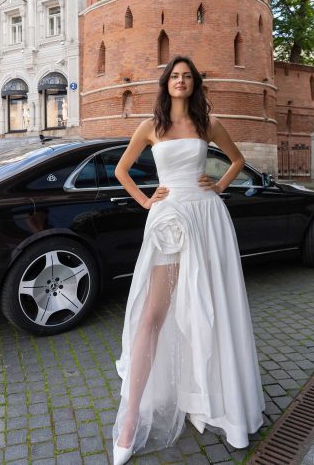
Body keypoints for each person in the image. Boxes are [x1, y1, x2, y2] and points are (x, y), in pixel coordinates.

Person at [112, 55, 266, 465]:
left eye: (187, 77)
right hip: (169, 219)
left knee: (210, 307)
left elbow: (237, 160)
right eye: (174, 76)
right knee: (152, 315)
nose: (180, 81)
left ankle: (211, 397)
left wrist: (218, 184)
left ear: (195, 84)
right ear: (165, 84)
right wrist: (147, 200)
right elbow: (122, 171)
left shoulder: (208, 125)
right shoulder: (150, 127)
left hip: (207, 217)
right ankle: (129, 421)